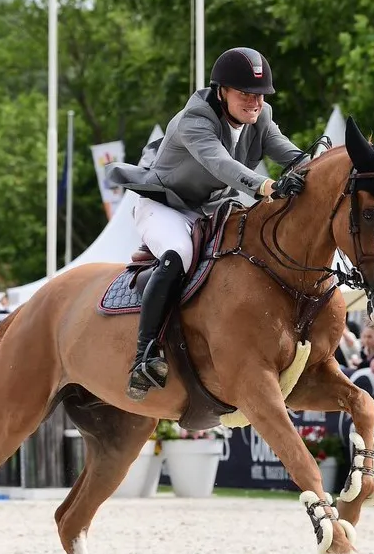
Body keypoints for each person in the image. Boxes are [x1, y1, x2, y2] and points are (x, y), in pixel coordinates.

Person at [106, 47, 308, 401]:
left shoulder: (261, 115)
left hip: (211, 207)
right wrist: (269, 186)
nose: (254, 102)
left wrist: (315, 167)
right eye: (245, 93)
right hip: (164, 205)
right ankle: (145, 354)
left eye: (259, 95)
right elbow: (221, 165)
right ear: (221, 92)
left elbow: (285, 149)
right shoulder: (194, 120)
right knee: (179, 253)